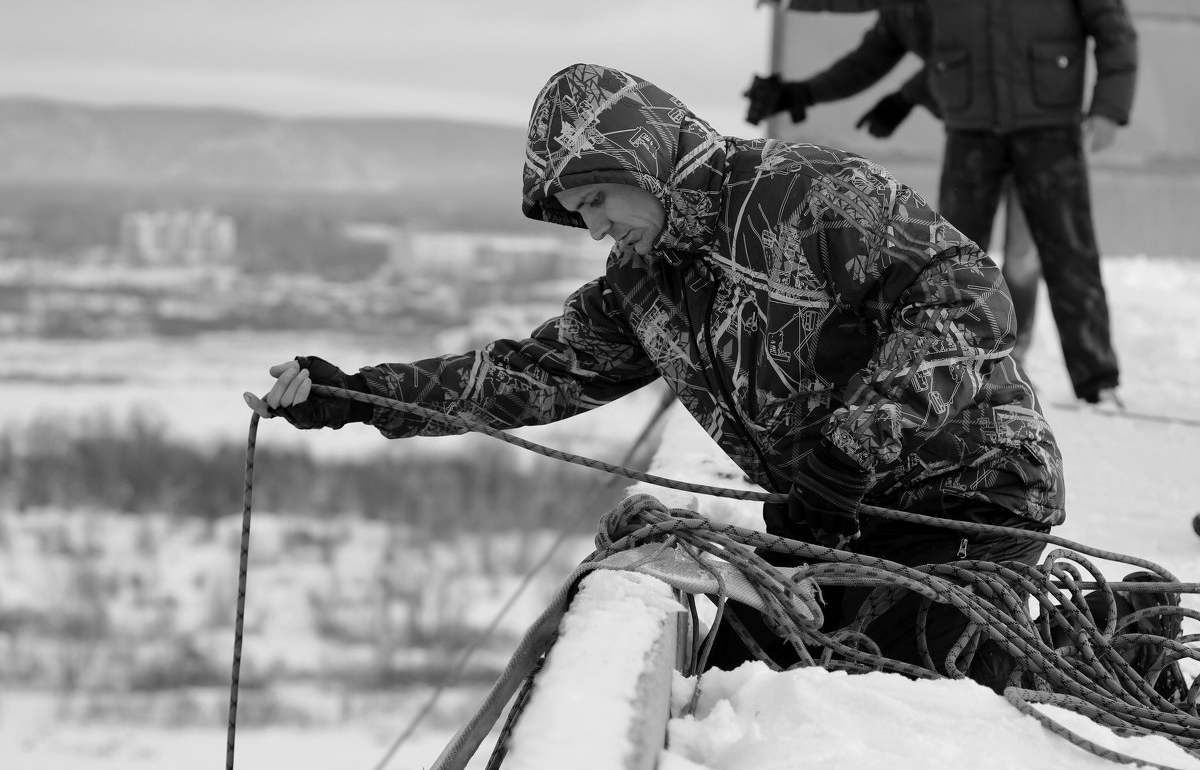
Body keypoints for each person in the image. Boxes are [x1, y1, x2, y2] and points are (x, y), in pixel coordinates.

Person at [245, 62, 1064, 688]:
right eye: (580, 215)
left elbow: (970, 298)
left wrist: (852, 449)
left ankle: (1094, 638)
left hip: (969, 492)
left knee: (892, 692)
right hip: (833, 516)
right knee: (741, 680)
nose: (595, 228)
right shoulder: (642, 287)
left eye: (600, 199)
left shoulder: (806, 192)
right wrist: (353, 395)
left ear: (647, 158)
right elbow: (521, 375)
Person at [756, 0, 1138, 403]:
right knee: (951, 258)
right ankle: (957, 368)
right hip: (972, 131)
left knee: (1068, 252)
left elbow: (1113, 26)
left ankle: (1097, 380)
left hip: (1049, 127)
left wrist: (1109, 106)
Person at [744, 4, 1043, 361]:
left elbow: (977, 50)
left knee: (1023, 256)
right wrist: (802, 92)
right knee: (959, 251)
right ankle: (966, 343)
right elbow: (863, 64)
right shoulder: (901, 6)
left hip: (1037, 132)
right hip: (973, 136)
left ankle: (1017, 353)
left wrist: (907, 96)